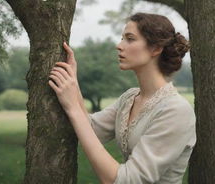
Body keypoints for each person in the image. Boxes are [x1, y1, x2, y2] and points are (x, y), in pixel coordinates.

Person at [49, 12, 196, 184]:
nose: (119, 46)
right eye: (122, 38)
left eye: (130, 39)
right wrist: (73, 83)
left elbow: (128, 180)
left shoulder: (176, 111)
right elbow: (91, 129)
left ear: (156, 48)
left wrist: (73, 107)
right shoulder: (129, 98)